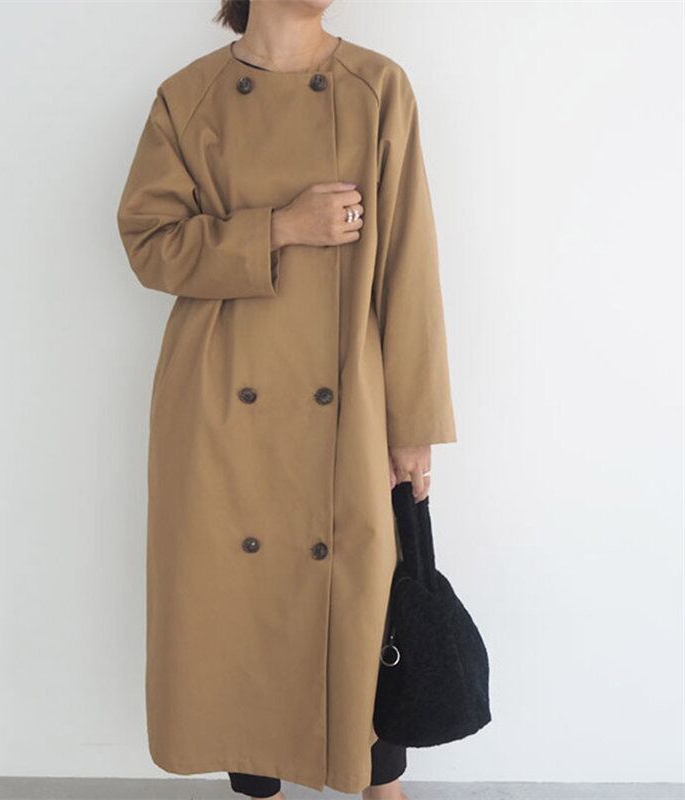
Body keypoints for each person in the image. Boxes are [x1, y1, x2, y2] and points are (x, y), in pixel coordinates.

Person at [116, 1, 456, 797]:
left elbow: (410, 264)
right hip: (219, 400)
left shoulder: (377, 87)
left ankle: (379, 783)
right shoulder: (189, 98)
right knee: (240, 605)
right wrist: (278, 227)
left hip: (351, 395)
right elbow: (149, 243)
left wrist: (414, 423)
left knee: (366, 595)